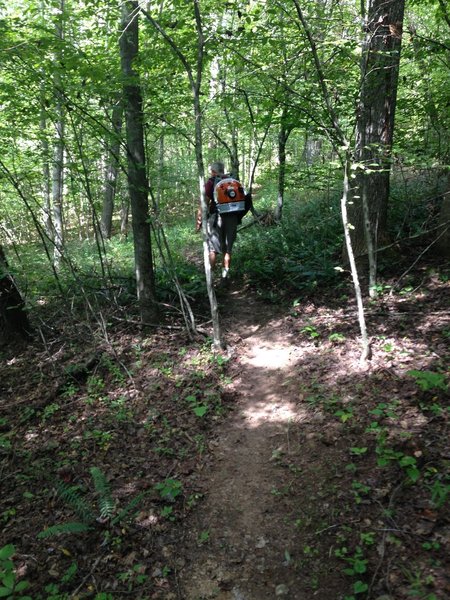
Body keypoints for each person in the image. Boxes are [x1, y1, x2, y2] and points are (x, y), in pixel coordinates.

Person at [196, 161, 240, 283]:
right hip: (232, 218)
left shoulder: (211, 183)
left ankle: (210, 278)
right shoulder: (232, 181)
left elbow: (204, 203)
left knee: (213, 249)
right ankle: (224, 277)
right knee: (228, 250)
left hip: (216, 219)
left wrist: (199, 220)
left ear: (214, 171)